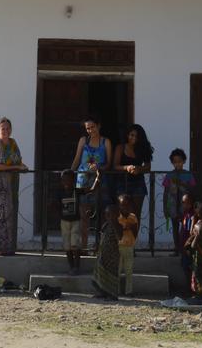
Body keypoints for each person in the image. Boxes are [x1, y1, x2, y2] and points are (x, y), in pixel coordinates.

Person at [0, 117, 27, 256]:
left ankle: (9, 248)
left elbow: (18, 159)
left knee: (10, 215)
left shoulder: (13, 143)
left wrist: (22, 166)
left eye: (8, 128)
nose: (6, 131)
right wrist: (16, 167)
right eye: (3, 128)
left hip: (11, 185)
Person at [69, 115, 111, 250]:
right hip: (83, 181)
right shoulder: (83, 140)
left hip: (99, 181)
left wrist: (100, 167)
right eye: (88, 128)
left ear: (99, 126)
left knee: (102, 214)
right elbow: (77, 159)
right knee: (84, 215)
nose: (90, 130)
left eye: (92, 127)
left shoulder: (106, 142)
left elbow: (109, 164)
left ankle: (100, 245)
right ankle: (84, 246)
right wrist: (69, 174)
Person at [113, 124, 153, 218]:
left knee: (136, 213)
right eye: (132, 135)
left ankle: (134, 233)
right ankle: (123, 233)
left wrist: (139, 169)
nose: (134, 138)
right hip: (122, 182)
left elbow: (148, 167)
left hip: (138, 182)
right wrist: (126, 168)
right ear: (127, 135)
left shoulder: (143, 148)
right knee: (122, 211)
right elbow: (115, 166)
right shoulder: (120, 148)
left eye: (137, 136)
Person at [161, 148, 195, 253]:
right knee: (175, 228)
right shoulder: (169, 175)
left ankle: (186, 248)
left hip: (185, 207)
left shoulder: (188, 175)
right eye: (175, 162)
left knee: (186, 227)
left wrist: (182, 183)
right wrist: (165, 208)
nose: (177, 164)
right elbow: (166, 192)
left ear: (184, 161)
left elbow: (192, 189)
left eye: (179, 161)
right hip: (172, 206)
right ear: (172, 163)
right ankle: (177, 248)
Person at [90, 204, 122, 300]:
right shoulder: (105, 225)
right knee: (100, 272)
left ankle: (112, 295)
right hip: (103, 253)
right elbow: (102, 237)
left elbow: (119, 237)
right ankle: (102, 292)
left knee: (111, 274)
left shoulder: (118, 225)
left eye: (110, 214)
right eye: (106, 214)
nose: (108, 217)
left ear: (116, 215)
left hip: (112, 255)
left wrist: (114, 224)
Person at [57, 170, 82, 275]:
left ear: (73, 181)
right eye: (64, 180)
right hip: (64, 222)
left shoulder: (77, 191)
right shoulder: (60, 193)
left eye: (68, 180)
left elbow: (91, 190)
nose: (66, 182)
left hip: (75, 221)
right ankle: (71, 267)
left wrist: (97, 179)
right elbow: (56, 205)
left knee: (75, 245)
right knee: (67, 246)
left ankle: (76, 267)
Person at [116, 193, 139, 295]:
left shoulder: (133, 217)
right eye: (122, 205)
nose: (125, 207)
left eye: (127, 205)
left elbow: (135, 232)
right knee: (117, 269)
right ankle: (115, 290)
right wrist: (124, 228)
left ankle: (128, 291)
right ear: (119, 206)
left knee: (129, 270)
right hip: (119, 246)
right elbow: (116, 231)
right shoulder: (117, 217)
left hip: (129, 246)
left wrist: (131, 226)